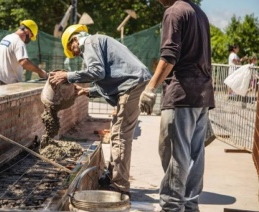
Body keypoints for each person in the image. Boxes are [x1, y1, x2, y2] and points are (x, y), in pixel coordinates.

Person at [49, 24, 152, 198]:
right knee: (118, 133)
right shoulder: (99, 41)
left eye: (72, 49)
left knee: (120, 135)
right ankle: (112, 176)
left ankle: (119, 186)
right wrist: (87, 91)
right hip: (132, 83)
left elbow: (96, 71)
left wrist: (67, 76)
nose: (76, 53)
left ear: (74, 39)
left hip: (132, 85)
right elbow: (110, 75)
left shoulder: (89, 42)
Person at [138, 0, 215, 211]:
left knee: (175, 154)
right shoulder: (198, 13)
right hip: (201, 95)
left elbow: (169, 56)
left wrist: (150, 88)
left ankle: (171, 207)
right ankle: (190, 206)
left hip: (181, 95)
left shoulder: (174, 12)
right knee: (194, 156)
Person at [0, 20, 47, 86]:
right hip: (5, 82)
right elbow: (24, 62)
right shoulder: (19, 42)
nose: (30, 39)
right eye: (31, 36)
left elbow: (13, 61)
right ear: (27, 32)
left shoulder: (7, 37)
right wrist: (40, 72)